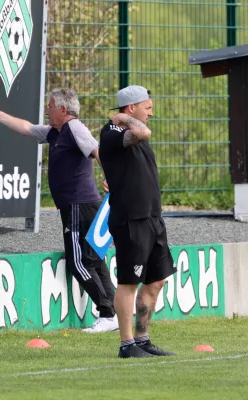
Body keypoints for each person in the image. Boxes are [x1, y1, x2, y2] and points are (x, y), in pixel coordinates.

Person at [0, 88, 118, 333]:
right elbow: (25, 127)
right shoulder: (55, 132)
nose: (47, 109)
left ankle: (107, 313)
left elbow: (98, 151)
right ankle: (114, 315)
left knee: (78, 263)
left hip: (79, 204)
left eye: (51, 105)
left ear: (63, 110)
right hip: (81, 204)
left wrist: (111, 179)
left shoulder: (74, 128)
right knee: (95, 262)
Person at [98, 85, 177, 358]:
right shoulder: (111, 132)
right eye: (148, 108)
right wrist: (120, 119)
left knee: (156, 281)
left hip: (153, 219)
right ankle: (126, 344)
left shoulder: (135, 136)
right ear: (131, 108)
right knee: (129, 283)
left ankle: (143, 339)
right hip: (131, 220)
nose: (151, 113)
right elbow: (143, 131)